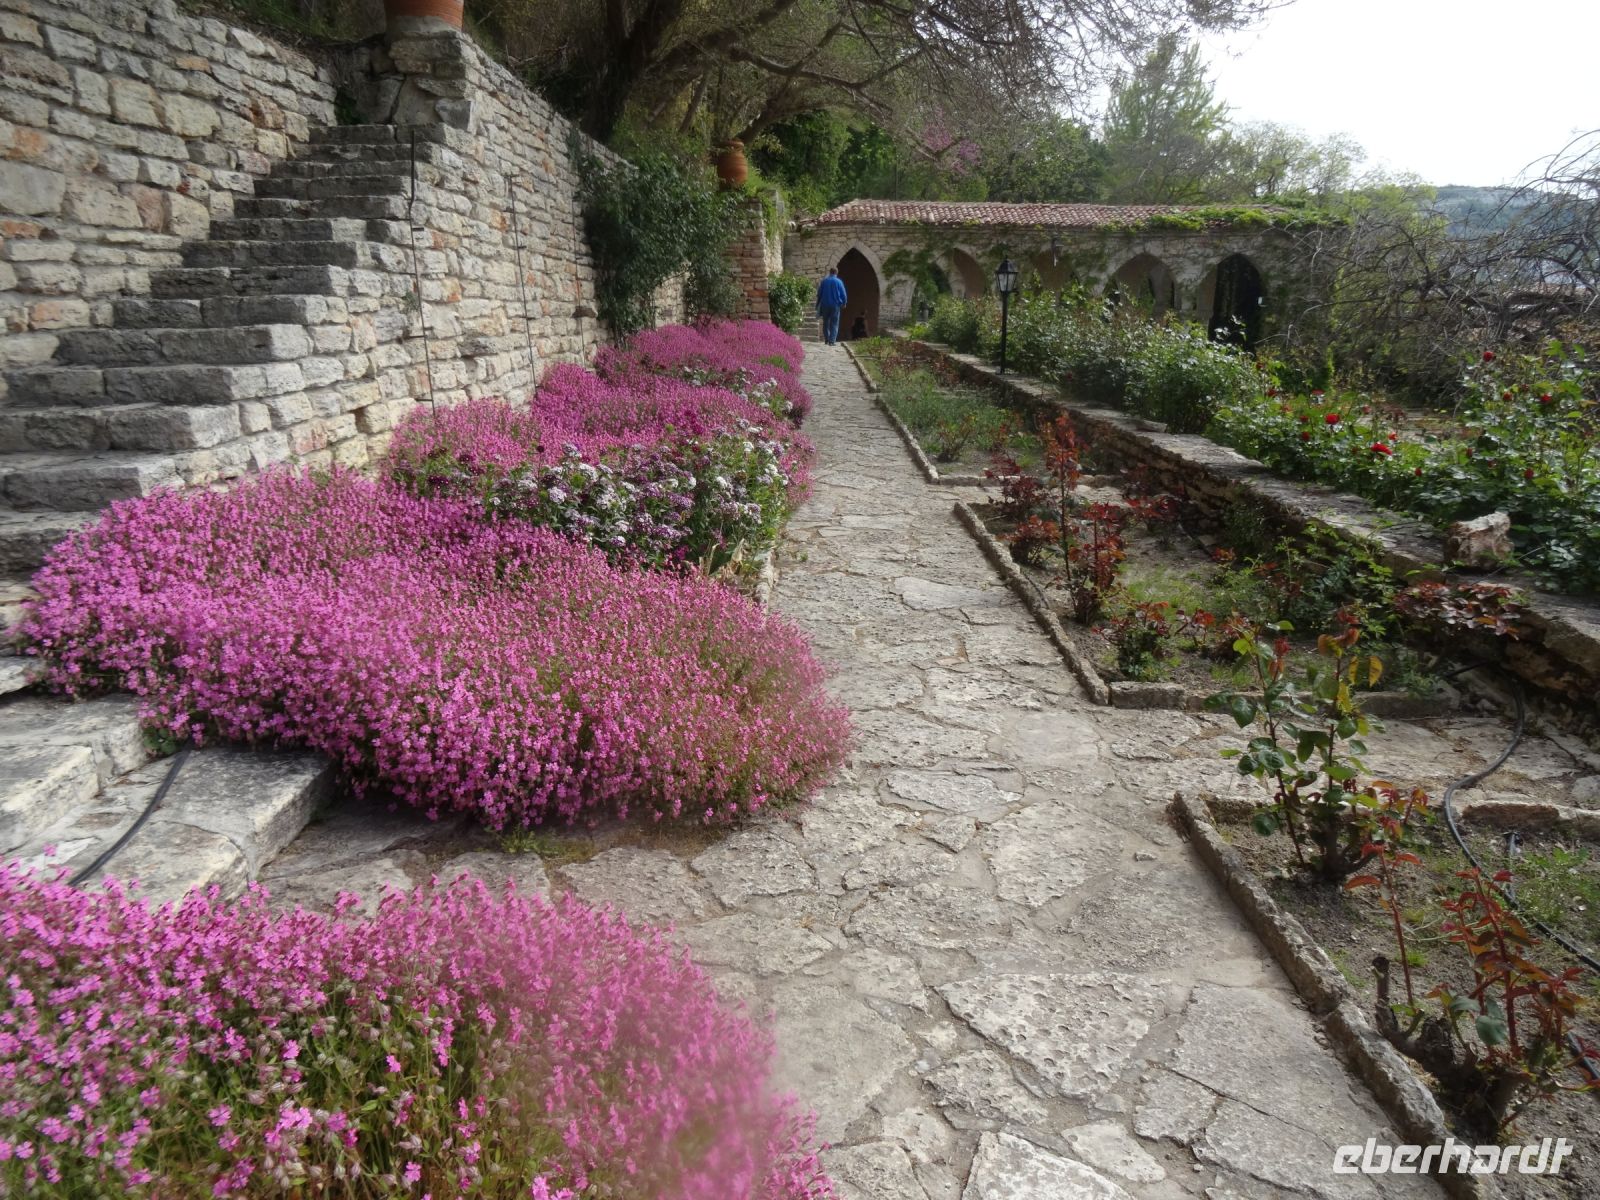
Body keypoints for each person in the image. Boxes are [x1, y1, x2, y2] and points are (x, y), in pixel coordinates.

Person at [816, 268, 847, 345]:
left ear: (830, 272)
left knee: (826, 322)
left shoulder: (824, 281)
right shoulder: (839, 282)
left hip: (825, 305)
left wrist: (818, 303)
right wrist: (844, 303)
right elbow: (843, 294)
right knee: (834, 323)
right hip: (835, 305)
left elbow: (819, 294)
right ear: (836, 273)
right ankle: (832, 341)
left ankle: (827, 339)